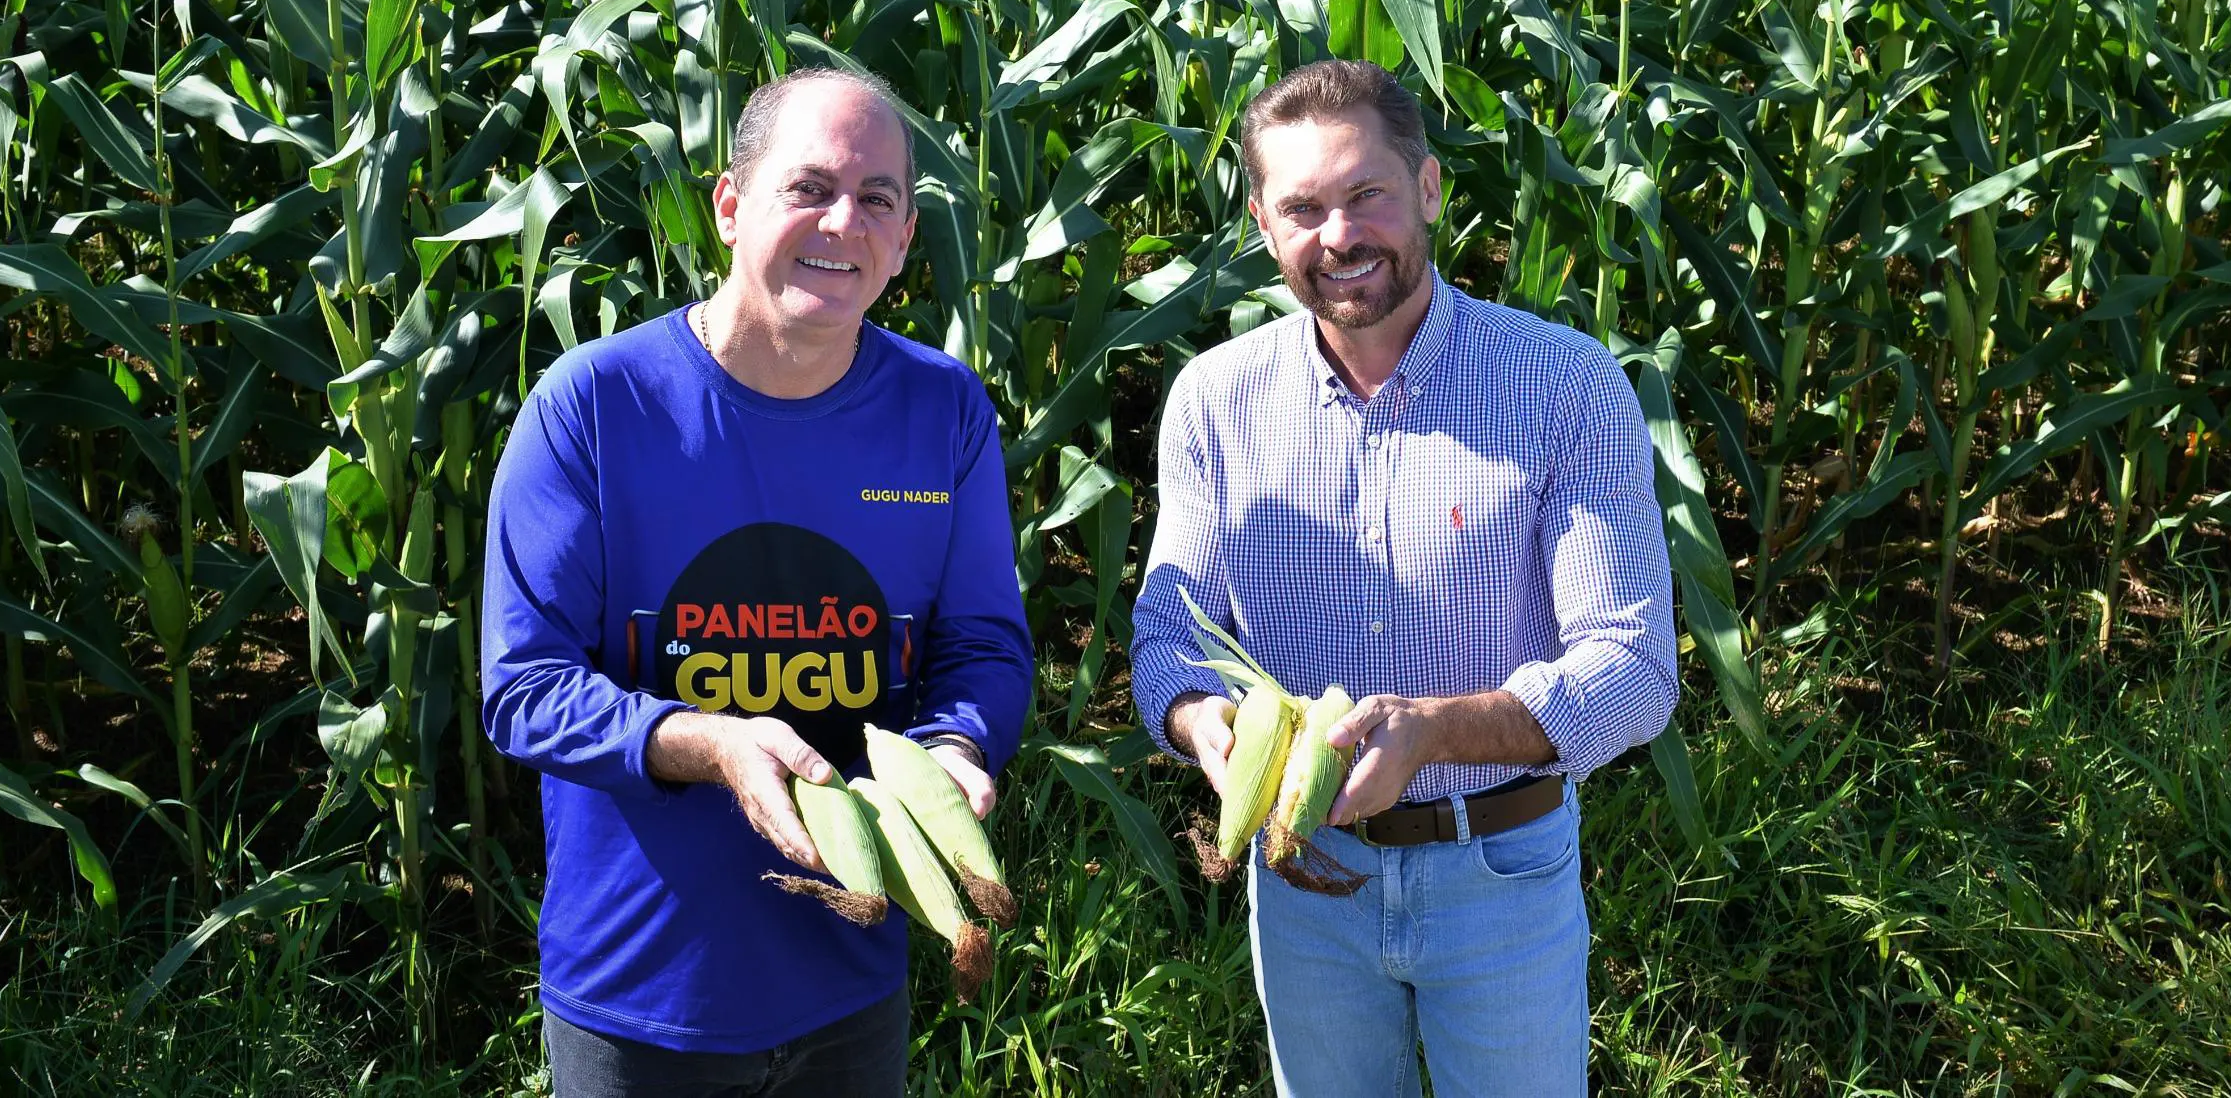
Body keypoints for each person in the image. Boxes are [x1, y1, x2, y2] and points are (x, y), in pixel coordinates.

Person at [1131, 58, 1678, 1097]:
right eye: (1301, 207)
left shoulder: (1562, 385)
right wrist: (1206, 724)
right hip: (1303, 881)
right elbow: (1170, 636)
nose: (1336, 235)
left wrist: (1435, 728)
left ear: (1428, 188)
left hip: (1499, 870)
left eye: (1363, 194)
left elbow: (1634, 666)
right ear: (1260, 221)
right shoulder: (1214, 399)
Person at [483, 67, 1033, 1097]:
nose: (843, 220)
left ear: (907, 236)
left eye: (877, 198)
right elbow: (523, 686)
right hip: (641, 994)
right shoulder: (594, 406)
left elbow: (982, 644)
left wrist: (956, 745)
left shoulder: (941, 409)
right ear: (729, 207)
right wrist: (714, 742)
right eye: (808, 187)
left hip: (850, 983)